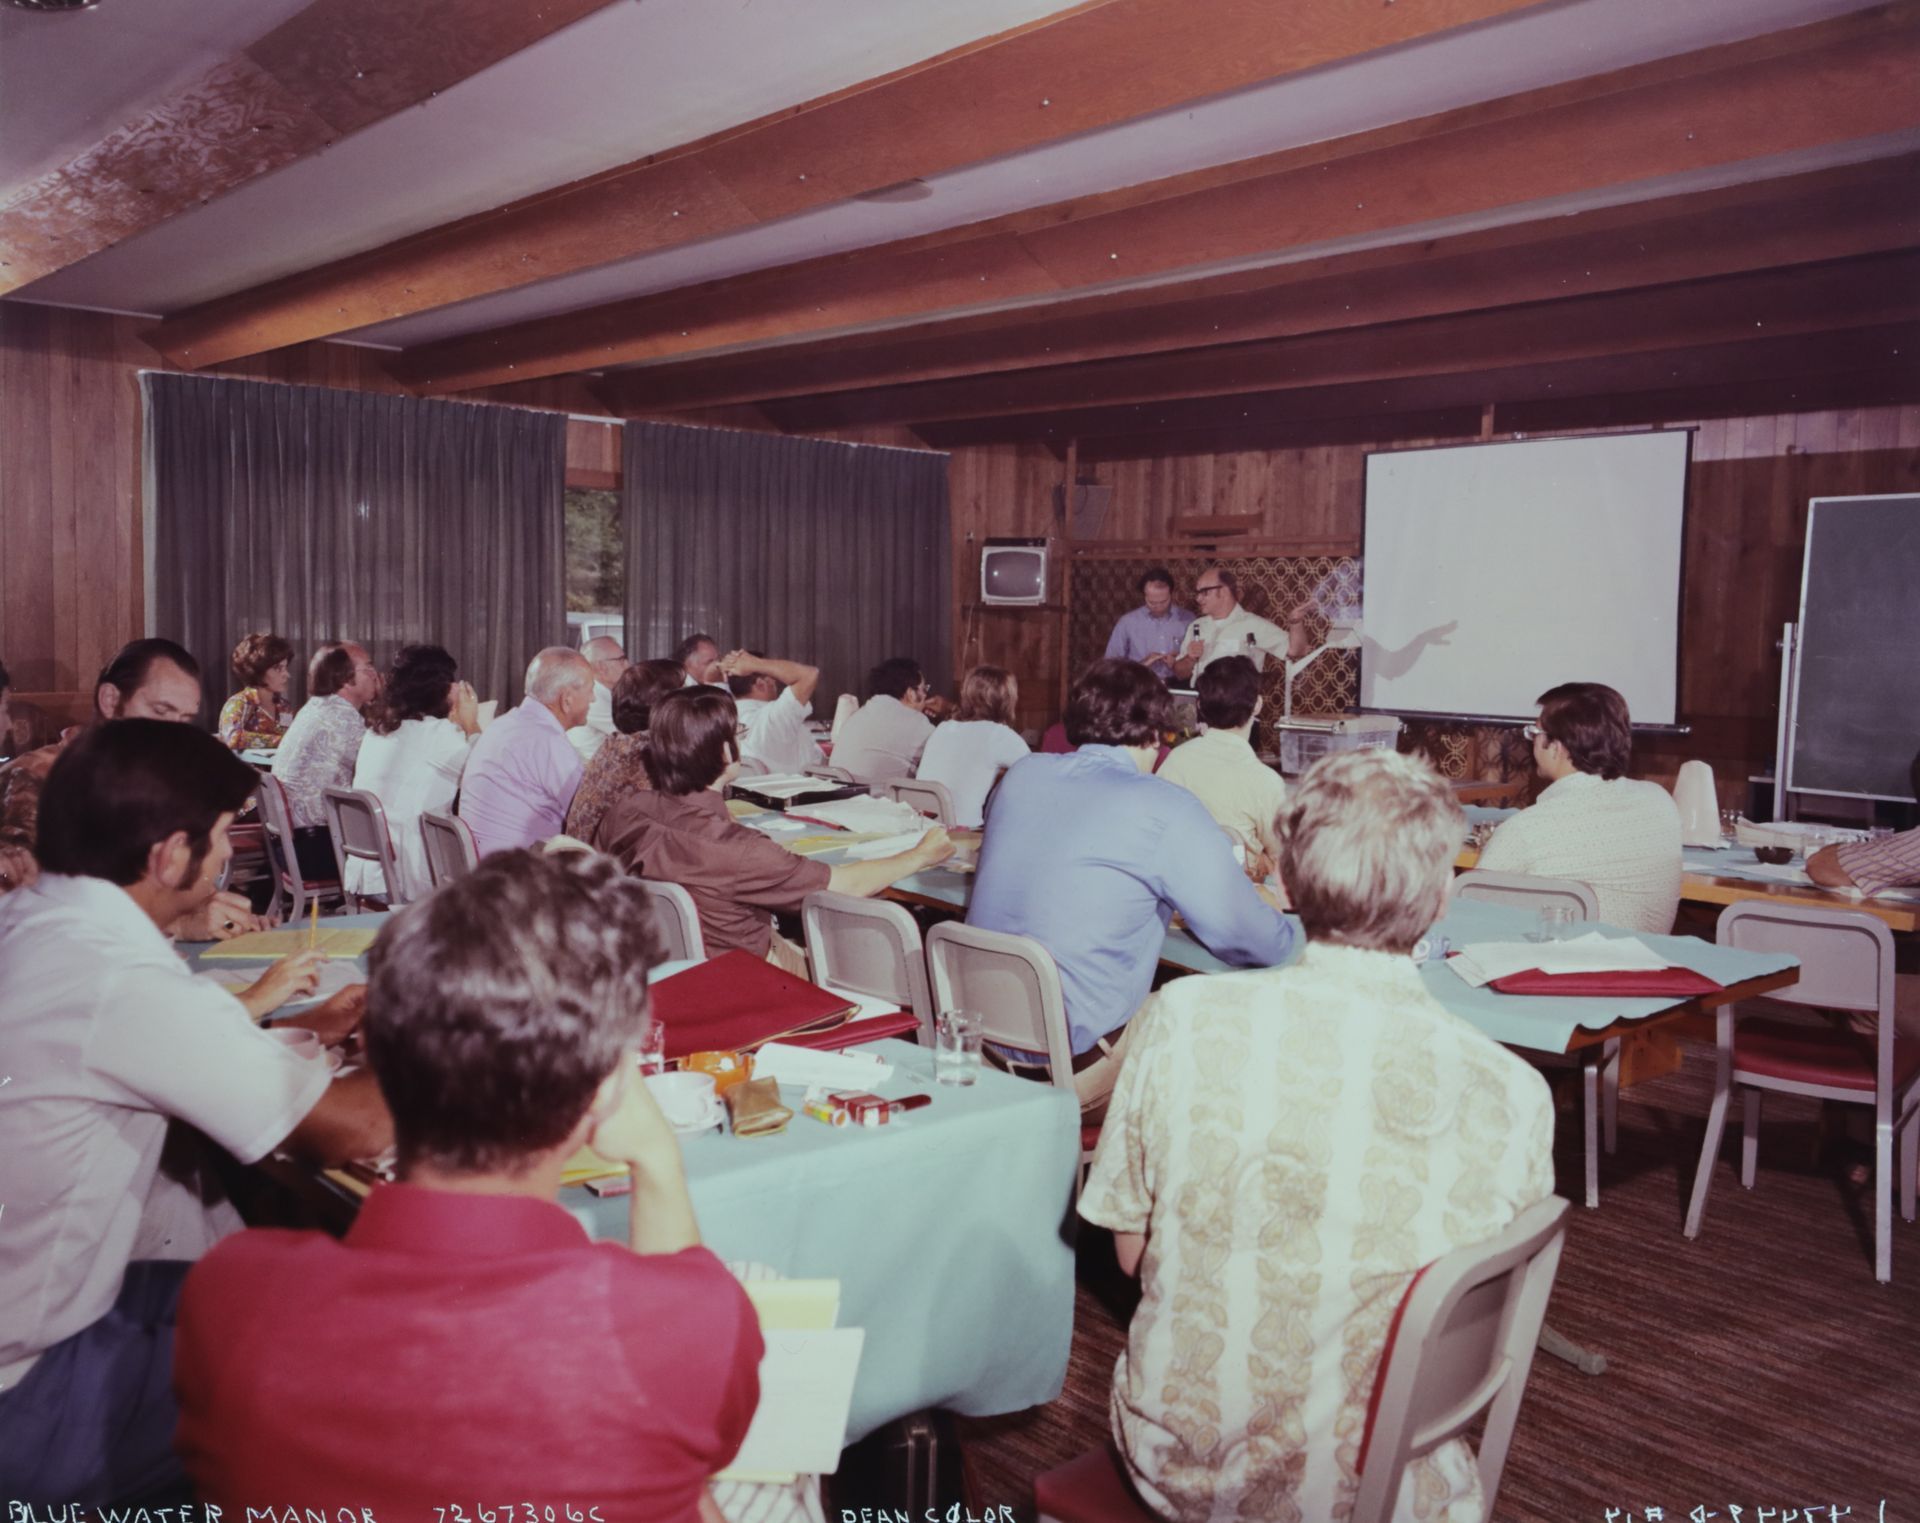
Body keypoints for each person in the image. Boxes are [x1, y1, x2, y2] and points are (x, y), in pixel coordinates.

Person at [173, 849, 760, 1516]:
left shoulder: (229, 1297)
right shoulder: (690, 1317)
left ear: (372, 1054)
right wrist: (656, 1158)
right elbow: (698, 1427)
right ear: (600, 1094)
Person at [1081, 749, 1555, 1523]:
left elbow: (1132, 1257)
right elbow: (1477, 1334)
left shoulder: (1182, 1020)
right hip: (1383, 1488)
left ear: (1290, 885)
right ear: (1442, 899)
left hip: (1179, 1466)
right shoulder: (1515, 1092)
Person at [0, 721, 392, 1504]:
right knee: (372, 1357)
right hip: (32, 1393)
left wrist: (307, 1032)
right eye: (219, 839)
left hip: (44, 1310)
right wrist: (414, 1033)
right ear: (167, 856)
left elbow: (161, 1055)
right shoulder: (121, 977)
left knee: (272, 1279)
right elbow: (354, 1130)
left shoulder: (39, 922)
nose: (224, 864)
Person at [968, 659, 1294, 1109]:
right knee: (1220, 1013)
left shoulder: (1022, 775)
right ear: (1157, 733)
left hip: (976, 1051)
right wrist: (1293, 923)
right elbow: (1258, 942)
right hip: (1066, 1073)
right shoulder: (1164, 806)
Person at [592, 687, 954, 965]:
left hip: (662, 974)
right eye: (738, 732)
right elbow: (842, 885)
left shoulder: (625, 813)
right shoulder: (742, 852)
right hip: (744, 982)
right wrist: (920, 855)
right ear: (724, 752)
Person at [0, 639, 242, 924]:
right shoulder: (38, 778)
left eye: (185, 719)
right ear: (111, 701)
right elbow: (22, 903)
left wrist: (214, 905)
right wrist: (180, 923)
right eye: (161, 712)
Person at [1477, 681, 1683, 932]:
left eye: (1535, 733)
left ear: (1557, 747)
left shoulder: (1526, 829)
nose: (1531, 742)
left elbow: (1470, 910)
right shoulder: (1661, 802)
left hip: (1561, 966)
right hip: (1653, 963)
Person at [347, 644, 483, 903]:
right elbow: (486, 774)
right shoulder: (438, 735)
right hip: (409, 877)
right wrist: (470, 722)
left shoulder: (377, 731)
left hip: (369, 871)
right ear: (442, 688)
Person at [1157, 654, 1287, 873]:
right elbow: (1283, 859)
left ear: (1199, 706)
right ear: (1257, 705)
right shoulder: (1266, 781)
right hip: (1238, 894)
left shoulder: (1175, 761)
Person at [458, 647, 591, 856]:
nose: (593, 699)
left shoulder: (502, 725)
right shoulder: (547, 742)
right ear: (567, 699)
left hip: (484, 871)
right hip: (520, 877)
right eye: (590, 690)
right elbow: (589, 815)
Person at [269, 641, 382, 880]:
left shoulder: (317, 708)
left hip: (288, 846)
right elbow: (383, 769)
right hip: (313, 850)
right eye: (368, 669)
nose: (376, 676)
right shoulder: (341, 719)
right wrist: (387, 705)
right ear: (344, 678)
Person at [567, 658, 685, 842]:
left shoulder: (618, 744)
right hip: (607, 866)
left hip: (588, 858)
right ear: (666, 706)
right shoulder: (652, 754)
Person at [915, 664, 1029, 828]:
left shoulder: (944, 728)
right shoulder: (998, 735)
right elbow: (1034, 772)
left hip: (924, 827)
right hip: (963, 831)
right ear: (1007, 700)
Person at [1171, 567, 1311, 682]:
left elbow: (1296, 650)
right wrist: (1189, 658)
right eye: (1198, 593)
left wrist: (1296, 622)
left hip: (1238, 709)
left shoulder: (1253, 625)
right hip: (1202, 707)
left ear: (1224, 591)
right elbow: (1180, 673)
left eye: (1204, 592)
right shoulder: (1197, 626)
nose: (1198, 598)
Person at [831, 656, 935, 785]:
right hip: (880, 801)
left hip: (842, 798)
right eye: (924, 689)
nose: (925, 696)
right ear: (911, 693)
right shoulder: (916, 722)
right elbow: (947, 753)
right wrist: (951, 712)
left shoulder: (859, 714)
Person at [724, 648, 826, 774]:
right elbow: (809, 674)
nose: (775, 681)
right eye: (772, 677)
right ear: (761, 684)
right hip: (796, 789)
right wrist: (755, 664)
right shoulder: (771, 718)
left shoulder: (723, 718)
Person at [1103, 566, 1194, 676]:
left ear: (1171, 594)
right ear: (1144, 596)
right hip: (1140, 683)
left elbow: (1197, 663)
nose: (1159, 607)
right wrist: (1143, 664)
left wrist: (1179, 662)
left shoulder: (1188, 619)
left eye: (1163, 601)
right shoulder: (1127, 622)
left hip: (1177, 684)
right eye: (1152, 602)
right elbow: (1110, 664)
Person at [216, 631, 294, 751]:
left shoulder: (284, 706)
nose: (286, 675)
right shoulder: (238, 703)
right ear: (258, 670)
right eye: (278, 668)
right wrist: (282, 741)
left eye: (285, 667)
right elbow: (232, 738)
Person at [568, 634, 631, 763]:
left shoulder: (602, 690)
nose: (628, 665)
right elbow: (630, 735)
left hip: (605, 765)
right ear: (602, 667)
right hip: (592, 773)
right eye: (621, 659)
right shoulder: (592, 696)